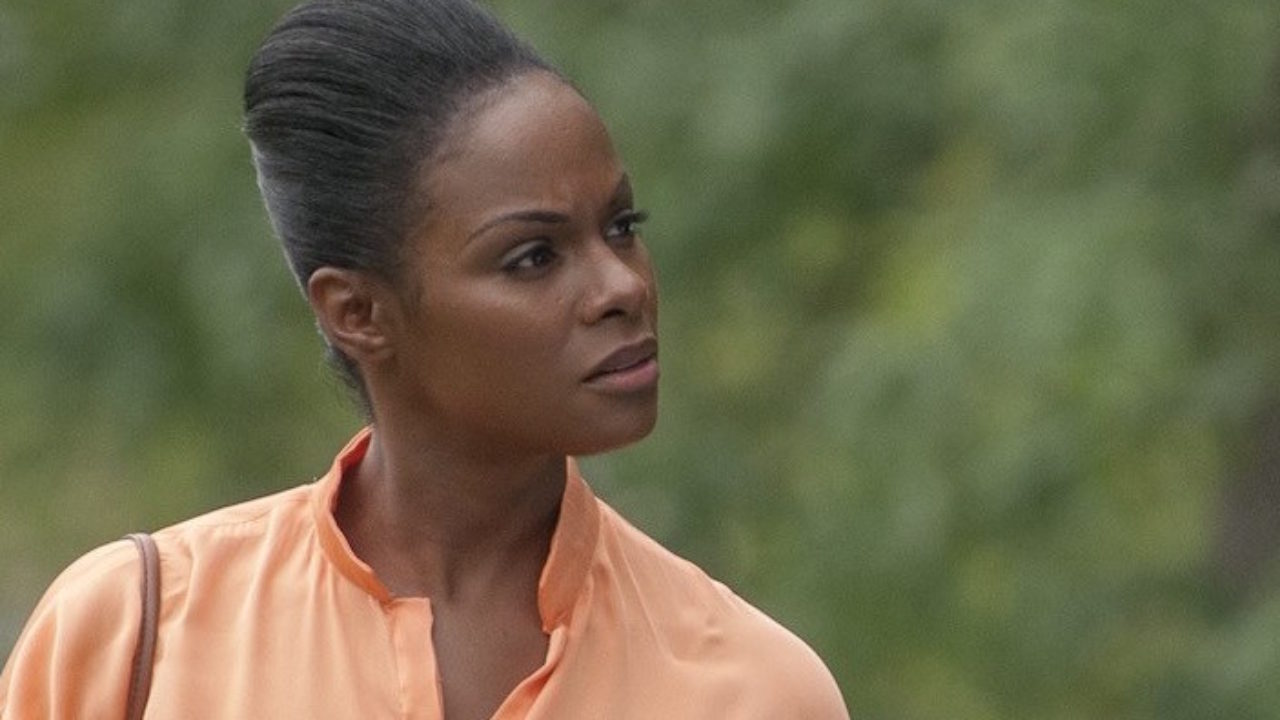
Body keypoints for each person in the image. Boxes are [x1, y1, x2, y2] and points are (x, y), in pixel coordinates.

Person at [0, 0, 850, 717]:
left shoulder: (755, 687)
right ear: (359, 313)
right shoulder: (132, 637)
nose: (622, 285)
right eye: (534, 257)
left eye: (622, 227)